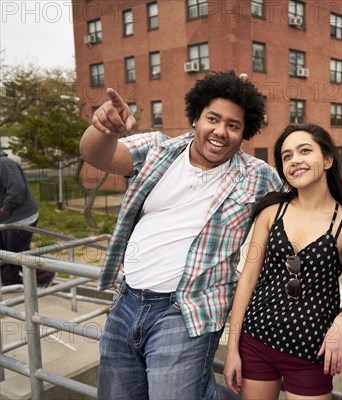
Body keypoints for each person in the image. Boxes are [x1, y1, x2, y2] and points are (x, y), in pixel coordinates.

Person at [79, 71, 282, 400]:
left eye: (233, 125)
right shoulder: (159, 149)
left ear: (245, 132)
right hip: (126, 300)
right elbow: (97, 156)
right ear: (195, 119)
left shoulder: (258, 177)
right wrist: (103, 129)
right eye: (212, 119)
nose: (220, 131)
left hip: (187, 310)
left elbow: (303, 206)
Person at [224, 124, 342, 399]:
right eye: (286, 156)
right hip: (256, 340)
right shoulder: (272, 212)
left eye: (304, 151)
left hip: (311, 351)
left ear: (328, 159)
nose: (294, 160)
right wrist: (233, 348)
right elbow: (248, 279)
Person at [0, 150, 54, 287]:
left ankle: (44, 275)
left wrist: (6, 208)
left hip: (20, 217)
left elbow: (17, 189)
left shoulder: (5, 163)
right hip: (5, 220)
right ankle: (11, 283)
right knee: (4, 253)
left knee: (16, 253)